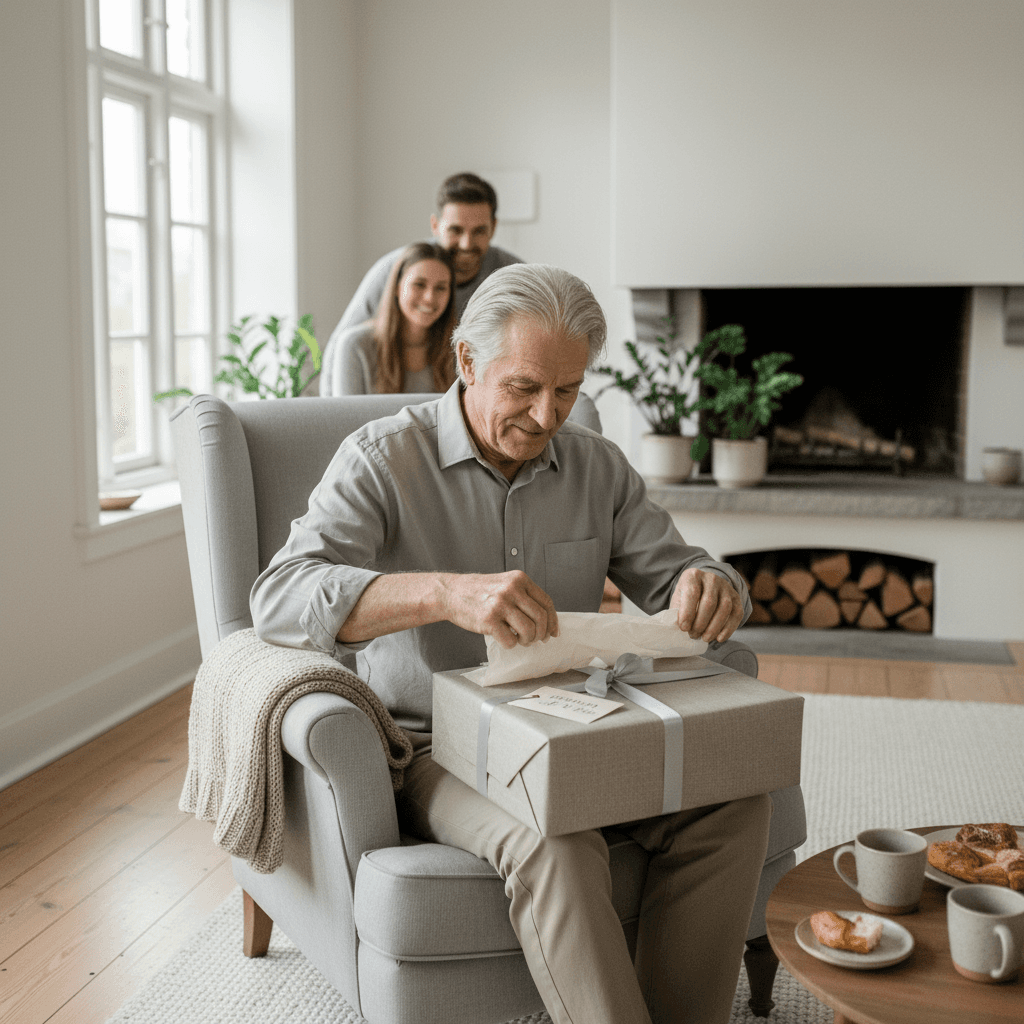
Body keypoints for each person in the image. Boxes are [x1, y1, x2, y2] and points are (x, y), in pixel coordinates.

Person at [251, 263, 771, 1024]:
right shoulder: (381, 459)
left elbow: (681, 574)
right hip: (441, 749)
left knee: (735, 807)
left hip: (584, 725)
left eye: (567, 391)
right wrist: (443, 592)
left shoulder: (599, 466)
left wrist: (712, 582)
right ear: (466, 362)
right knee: (554, 838)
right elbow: (278, 596)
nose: (547, 414)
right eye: (524, 387)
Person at [320, 172, 522, 397]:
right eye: (455, 230)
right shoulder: (396, 269)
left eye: (479, 231)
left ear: (493, 228)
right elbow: (339, 350)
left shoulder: (512, 276)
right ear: (435, 226)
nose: (466, 243)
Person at [329, 242, 457, 395]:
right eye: (419, 284)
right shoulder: (355, 346)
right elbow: (345, 417)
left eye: (441, 288)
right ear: (397, 287)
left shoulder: (457, 349)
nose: (430, 298)